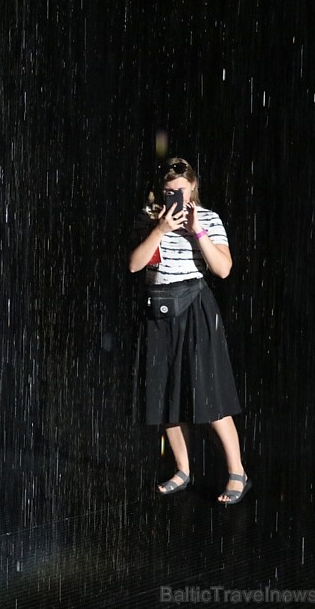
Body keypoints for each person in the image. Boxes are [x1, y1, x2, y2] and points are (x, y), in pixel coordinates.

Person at [129, 157, 250, 505]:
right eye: (169, 192)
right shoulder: (149, 218)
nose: (175, 198)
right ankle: (182, 469)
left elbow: (223, 269)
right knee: (163, 397)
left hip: (195, 308)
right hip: (157, 310)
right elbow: (135, 264)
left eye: (181, 191)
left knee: (209, 396)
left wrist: (197, 231)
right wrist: (160, 230)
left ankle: (237, 472)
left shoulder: (209, 219)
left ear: (193, 187)